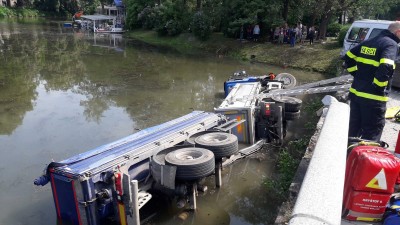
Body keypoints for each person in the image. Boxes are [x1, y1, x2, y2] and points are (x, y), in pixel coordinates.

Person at [343, 21, 400, 142]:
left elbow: (348, 58)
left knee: (353, 130)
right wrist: (379, 87)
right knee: (371, 134)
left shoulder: (369, 41)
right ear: (398, 32)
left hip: (356, 95)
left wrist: (357, 75)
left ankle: (348, 157)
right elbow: (386, 66)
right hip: (373, 99)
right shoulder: (391, 44)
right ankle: (363, 159)